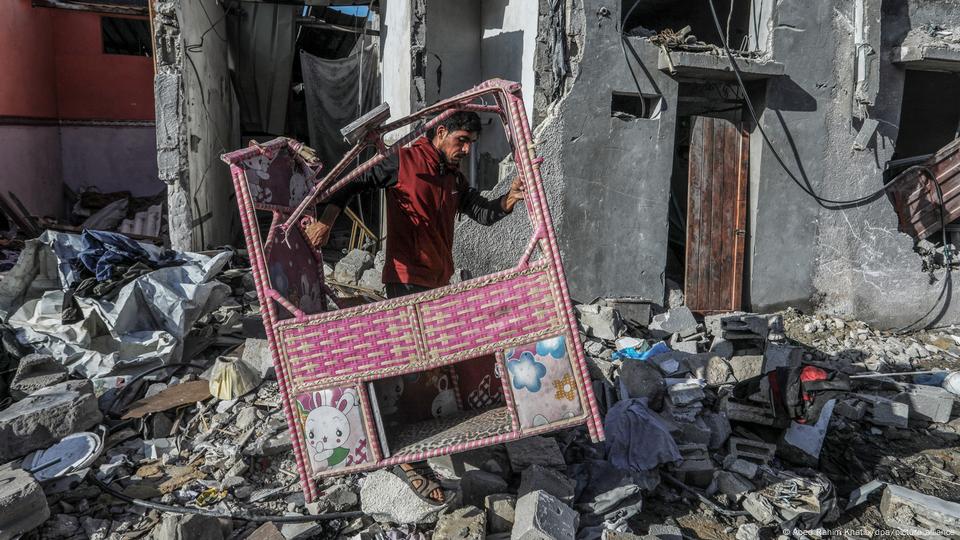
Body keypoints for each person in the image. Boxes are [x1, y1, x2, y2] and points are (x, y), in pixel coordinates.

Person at [305, 110, 525, 503]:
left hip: (438, 282)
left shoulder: (453, 176)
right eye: (461, 140)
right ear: (440, 132)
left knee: (427, 363)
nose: (466, 149)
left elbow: (480, 213)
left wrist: (507, 200)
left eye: (470, 143)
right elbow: (348, 184)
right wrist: (326, 220)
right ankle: (403, 453)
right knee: (411, 364)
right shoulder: (402, 161)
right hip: (406, 279)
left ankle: (424, 439)